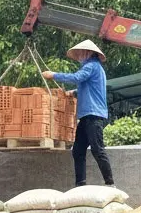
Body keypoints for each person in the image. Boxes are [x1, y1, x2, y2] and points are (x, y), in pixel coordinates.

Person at [42, 40, 114, 188]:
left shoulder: (92, 66)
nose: (80, 55)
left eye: (82, 52)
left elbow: (76, 78)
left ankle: (110, 183)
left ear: (89, 53)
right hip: (87, 116)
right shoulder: (94, 68)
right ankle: (80, 184)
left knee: (97, 149)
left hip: (94, 115)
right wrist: (73, 92)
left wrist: (54, 75)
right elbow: (87, 88)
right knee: (78, 150)